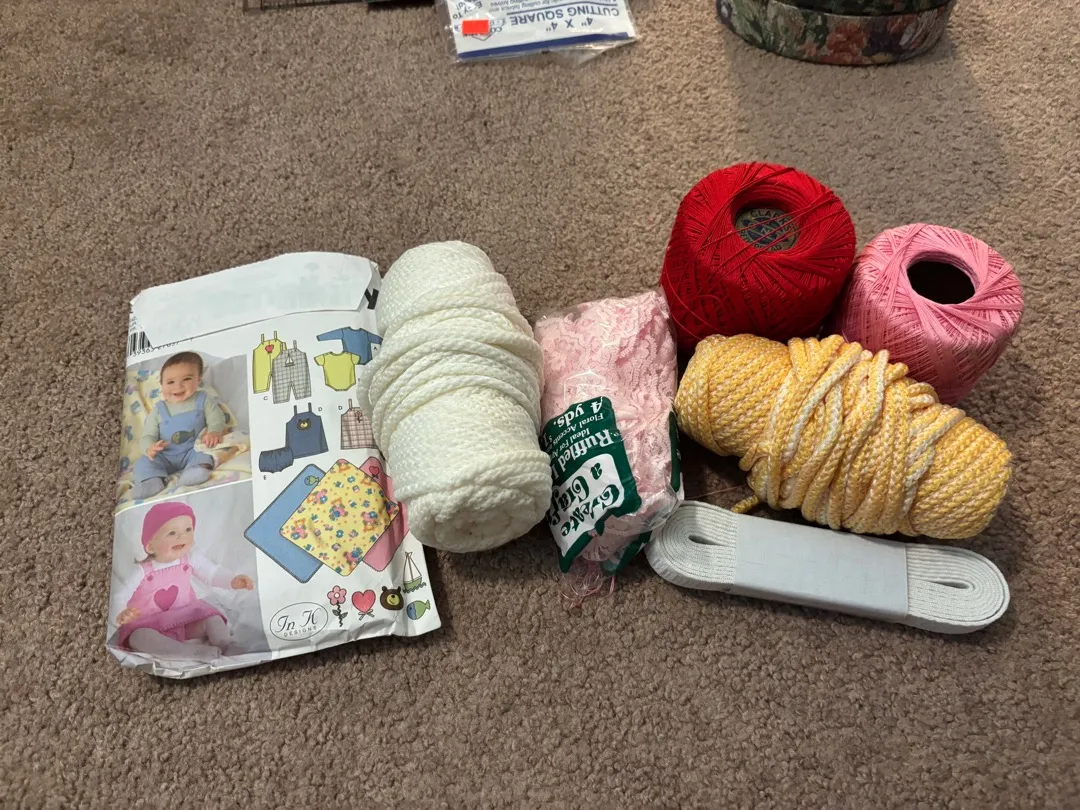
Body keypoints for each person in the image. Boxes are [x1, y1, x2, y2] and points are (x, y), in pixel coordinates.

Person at [114, 501, 254, 661]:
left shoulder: (190, 558)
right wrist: (122, 613)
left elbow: (211, 573)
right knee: (139, 637)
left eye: (188, 530)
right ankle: (187, 652)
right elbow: (120, 596)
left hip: (185, 617)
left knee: (212, 618)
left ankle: (226, 643)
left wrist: (232, 580)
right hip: (149, 624)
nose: (182, 536)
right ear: (151, 546)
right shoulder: (142, 571)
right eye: (172, 533)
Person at [131, 352, 226, 500]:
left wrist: (214, 431)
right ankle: (152, 480)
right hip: (165, 455)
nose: (178, 386)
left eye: (187, 379)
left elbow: (217, 418)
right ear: (161, 384)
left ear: (198, 379)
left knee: (206, 453)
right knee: (143, 462)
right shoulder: (158, 410)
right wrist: (150, 448)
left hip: (193, 450)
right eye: (170, 382)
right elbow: (148, 434)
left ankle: (194, 471)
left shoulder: (203, 400)